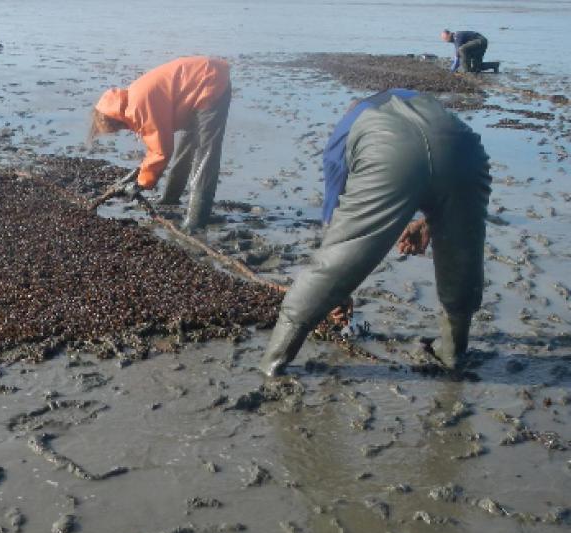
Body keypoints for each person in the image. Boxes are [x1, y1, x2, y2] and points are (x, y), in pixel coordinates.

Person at [260, 89, 491, 377]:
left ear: (349, 112)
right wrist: (430, 221)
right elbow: (434, 155)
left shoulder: (346, 130)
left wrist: (338, 287)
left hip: (389, 152)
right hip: (464, 151)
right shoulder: (417, 100)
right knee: (463, 257)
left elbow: (336, 220)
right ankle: (454, 353)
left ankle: (273, 361)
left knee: (331, 267)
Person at [90, 56, 232, 232]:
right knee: (187, 146)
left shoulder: (138, 107)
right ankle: (170, 198)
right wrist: (141, 174)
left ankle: (196, 221)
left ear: (115, 119)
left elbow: (161, 150)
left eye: (117, 129)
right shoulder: (131, 99)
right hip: (199, 81)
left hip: (210, 81)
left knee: (205, 153)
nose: (123, 130)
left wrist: (141, 184)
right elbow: (157, 143)